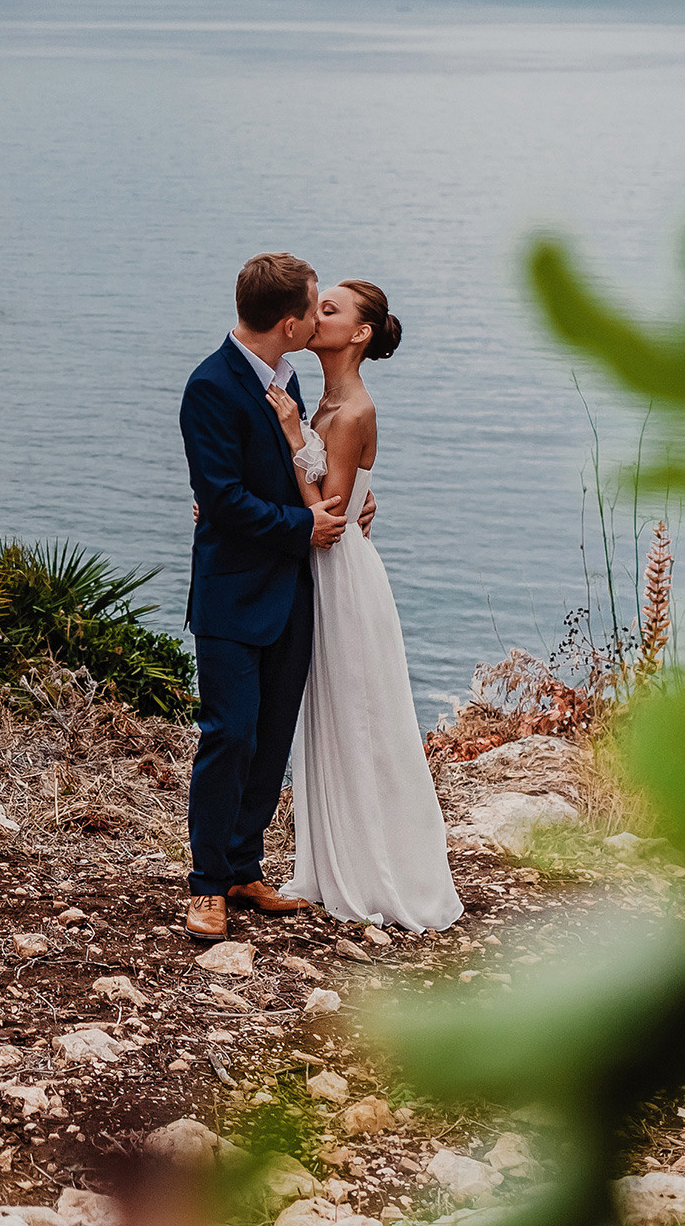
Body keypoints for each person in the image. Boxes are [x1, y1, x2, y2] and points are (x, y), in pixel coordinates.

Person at [266, 280, 461, 931]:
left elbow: (328, 505)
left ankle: (378, 869)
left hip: (344, 576)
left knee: (359, 718)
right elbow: (343, 499)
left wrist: (294, 432)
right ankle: (329, 859)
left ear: (359, 334)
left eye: (329, 310)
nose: (313, 315)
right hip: (324, 566)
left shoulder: (350, 412)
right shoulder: (321, 400)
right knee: (326, 715)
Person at [178, 253, 346, 942]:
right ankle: (207, 884)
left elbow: (293, 471)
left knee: (272, 737)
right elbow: (221, 501)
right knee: (230, 735)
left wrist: (343, 505)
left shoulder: (288, 377)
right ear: (288, 321)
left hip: (291, 594)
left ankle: (246, 867)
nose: (318, 318)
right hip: (231, 596)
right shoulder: (210, 386)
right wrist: (306, 526)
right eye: (314, 307)